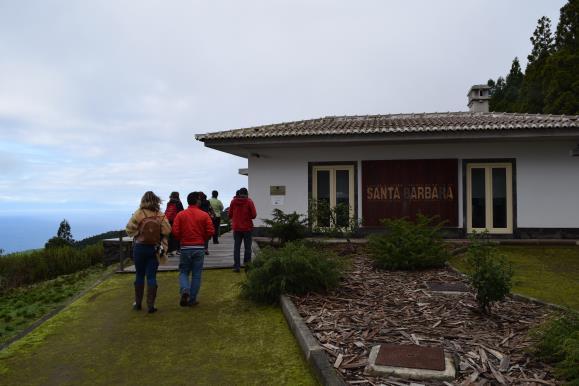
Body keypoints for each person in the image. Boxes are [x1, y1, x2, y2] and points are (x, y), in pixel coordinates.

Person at [126, 191, 171, 313]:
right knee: (151, 276)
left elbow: (129, 229)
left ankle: (138, 304)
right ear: (156, 201)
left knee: (139, 275)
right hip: (154, 249)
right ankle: (151, 305)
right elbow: (167, 230)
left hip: (139, 248)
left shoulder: (139, 213)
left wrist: (139, 233)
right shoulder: (160, 215)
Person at [172, 191, 214, 307]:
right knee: (196, 274)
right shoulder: (204, 215)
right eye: (199, 199)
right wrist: (203, 239)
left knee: (184, 272)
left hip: (185, 247)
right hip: (199, 247)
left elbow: (175, 231)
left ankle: (185, 289)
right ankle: (192, 299)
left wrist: (182, 239)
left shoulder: (181, 215)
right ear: (197, 201)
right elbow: (210, 231)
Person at [229, 187, 256, 272]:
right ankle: (247, 266)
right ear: (247, 194)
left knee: (236, 248)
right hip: (247, 228)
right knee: (247, 248)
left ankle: (237, 267)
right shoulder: (249, 201)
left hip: (237, 228)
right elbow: (254, 215)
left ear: (239, 194)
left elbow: (230, 214)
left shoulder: (233, 201)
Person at [165, 191, 184, 256]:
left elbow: (166, 212)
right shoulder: (179, 203)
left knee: (170, 236)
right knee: (178, 235)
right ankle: (178, 250)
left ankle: (169, 251)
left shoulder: (169, 203)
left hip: (168, 221)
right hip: (176, 221)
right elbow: (181, 212)